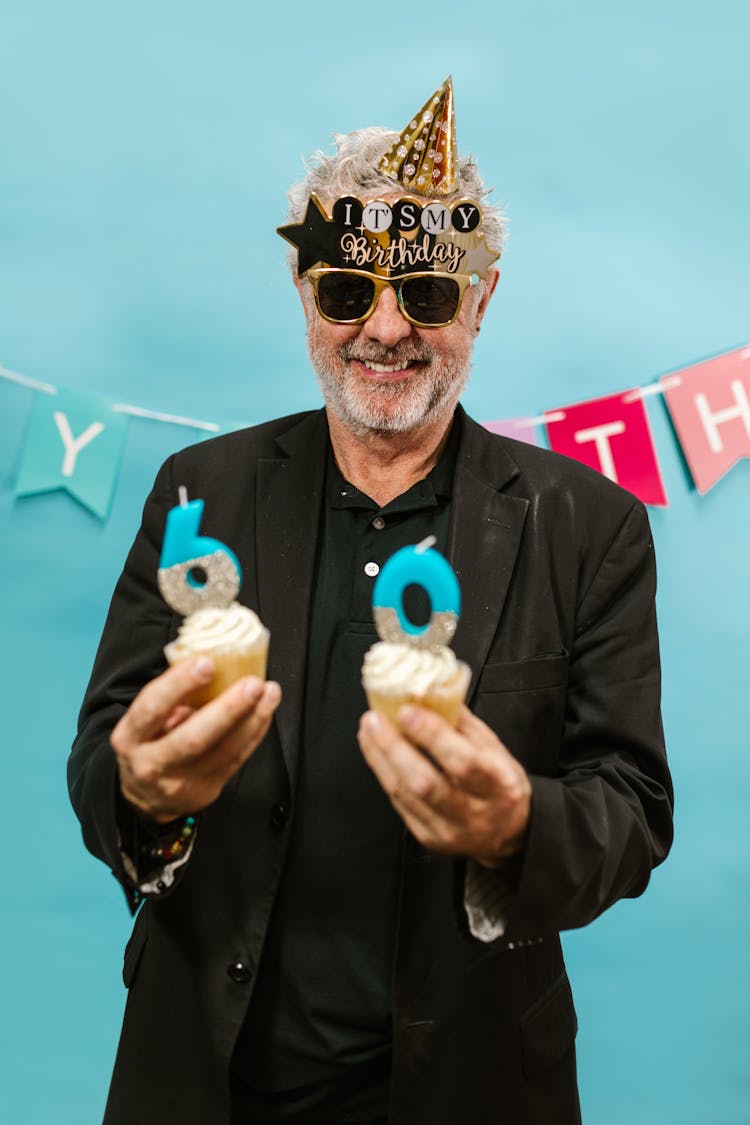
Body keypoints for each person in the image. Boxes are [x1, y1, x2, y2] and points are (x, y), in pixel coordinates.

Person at [69, 78, 673, 1125]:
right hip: (208, 1076)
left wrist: (517, 821)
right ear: (305, 293)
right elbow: (101, 765)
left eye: (427, 296)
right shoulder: (198, 491)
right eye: (349, 291)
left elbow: (631, 807)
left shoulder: (589, 526)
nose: (385, 329)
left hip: (473, 1081)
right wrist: (145, 794)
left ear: (481, 300)